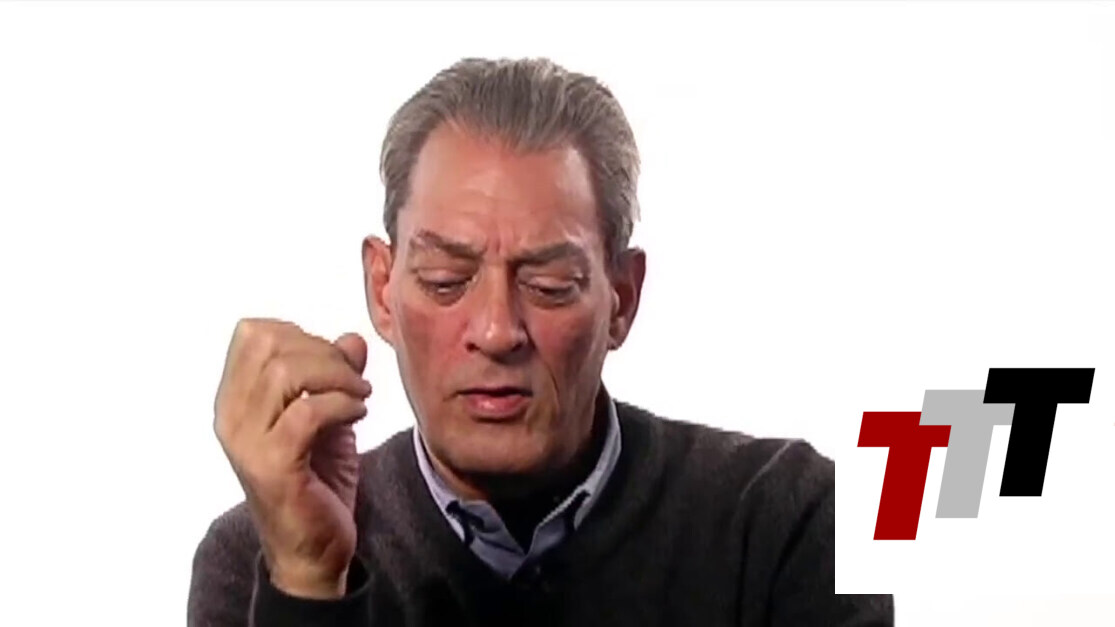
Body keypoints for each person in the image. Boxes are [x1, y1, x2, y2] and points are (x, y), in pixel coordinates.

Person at [188, 56, 894, 626]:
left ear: (621, 298)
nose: (497, 330)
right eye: (445, 280)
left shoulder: (783, 521)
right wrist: (310, 581)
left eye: (551, 284)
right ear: (382, 289)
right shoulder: (259, 553)